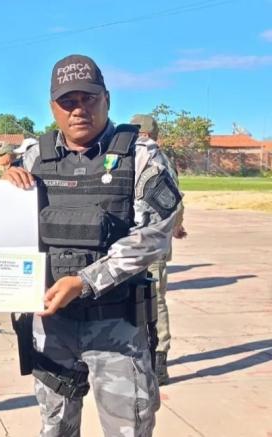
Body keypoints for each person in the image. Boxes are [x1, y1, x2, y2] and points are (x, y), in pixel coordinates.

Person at [3, 54, 182, 437]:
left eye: (89, 98)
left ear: (107, 99)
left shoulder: (141, 155)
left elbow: (154, 235)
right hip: (52, 329)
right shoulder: (33, 156)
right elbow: (5, 225)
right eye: (68, 101)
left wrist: (84, 282)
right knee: (54, 430)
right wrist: (4, 187)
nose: (79, 109)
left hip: (116, 328)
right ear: (53, 107)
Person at [130, 114, 188, 385]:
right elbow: (177, 202)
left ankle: (157, 358)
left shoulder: (146, 158)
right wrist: (177, 226)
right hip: (143, 243)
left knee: (151, 299)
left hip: (143, 244)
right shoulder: (149, 158)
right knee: (153, 299)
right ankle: (152, 354)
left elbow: (174, 200)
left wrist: (175, 226)